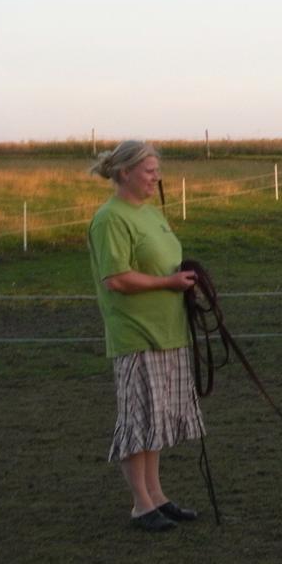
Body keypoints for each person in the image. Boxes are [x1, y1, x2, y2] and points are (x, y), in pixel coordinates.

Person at [88, 140, 205, 532]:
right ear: (124, 173)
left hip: (168, 332)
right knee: (138, 422)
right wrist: (167, 281)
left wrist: (185, 281)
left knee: (156, 422)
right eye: (149, 171)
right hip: (137, 334)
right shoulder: (110, 219)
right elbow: (117, 278)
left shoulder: (150, 214)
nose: (157, 177)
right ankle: (141, 505)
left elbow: (164, 261)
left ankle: (158, 497)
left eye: (157, 170)